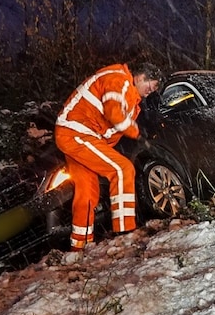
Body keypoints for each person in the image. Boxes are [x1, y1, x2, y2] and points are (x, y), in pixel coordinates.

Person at [55, 62, 163, 251]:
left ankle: (80, 246)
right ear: (140, 77)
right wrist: (137, 133)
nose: (150, 92)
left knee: (87, 191)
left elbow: (110, 131)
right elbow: (114, 114)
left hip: (74, 135)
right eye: (151, 86)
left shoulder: (131, 98)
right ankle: (125, 232)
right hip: (77, 132)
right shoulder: (118, 79)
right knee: (122, 169)